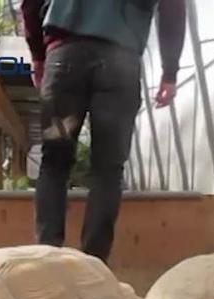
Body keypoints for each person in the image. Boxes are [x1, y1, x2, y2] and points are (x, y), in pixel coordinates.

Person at [21, 0, 187, 264]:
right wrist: (170, 71)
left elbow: (30, 5)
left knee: (55, 162)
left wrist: (39, 56)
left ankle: (47, 257)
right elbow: (173, 8)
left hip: (65, 65)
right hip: (119, 68)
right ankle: (94, 264)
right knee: (108, 170)